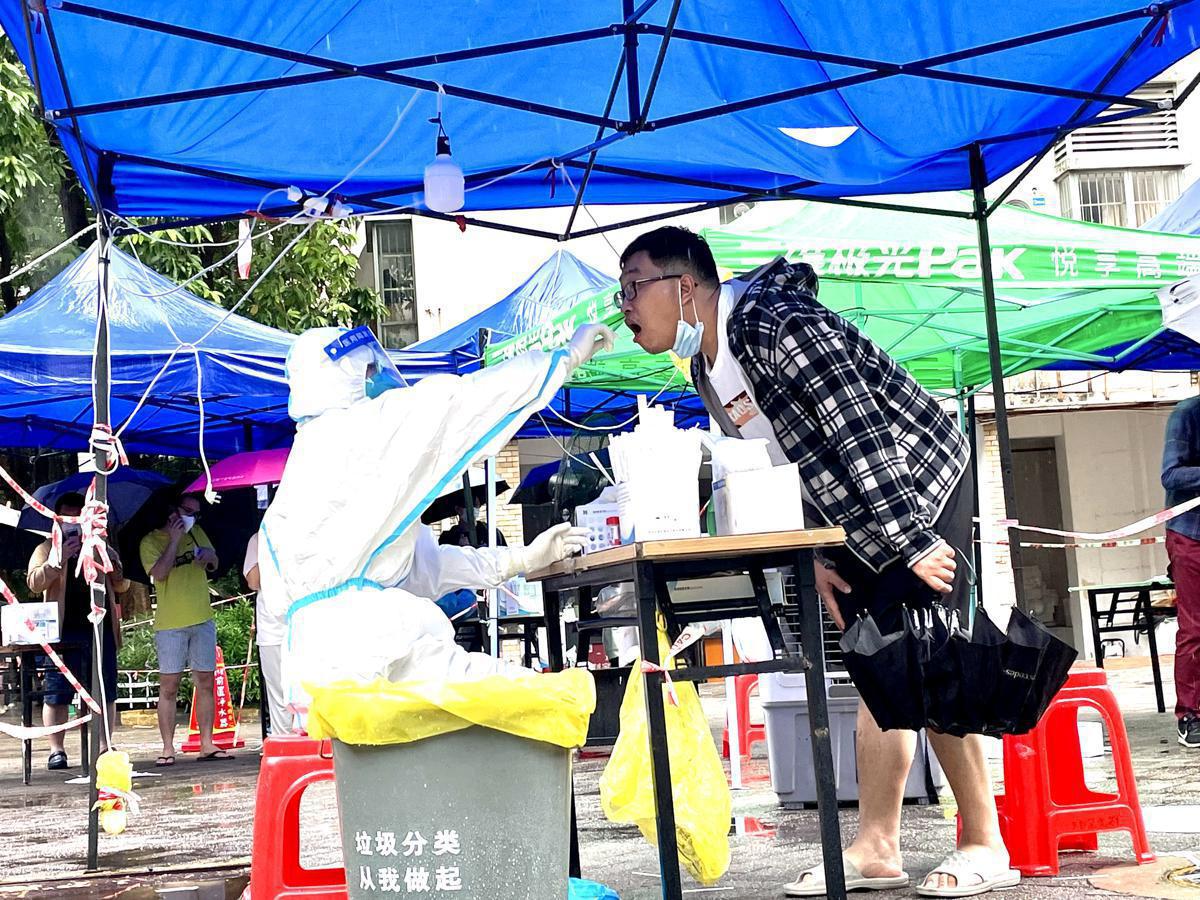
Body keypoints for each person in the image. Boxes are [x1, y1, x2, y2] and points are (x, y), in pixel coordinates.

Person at [618, 227, 1014, 898]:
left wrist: (911, 538)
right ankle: (880, 846)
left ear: (684, 288)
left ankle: (984, 840)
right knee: (875, 660)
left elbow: (859, 427)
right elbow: (777, 462)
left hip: (916, 479)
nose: (623, 306)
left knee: (929, 652)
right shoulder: (705, 368)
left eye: (633, 287)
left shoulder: (776, 323)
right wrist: (818, 549)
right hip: (854, 510)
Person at [257, 323, 611, 712]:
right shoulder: (366, 429)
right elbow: (465, 402)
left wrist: (519, 559)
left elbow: (421, 570)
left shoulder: (291, 490)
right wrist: (563, 358)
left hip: (317, 684)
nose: (378, 380)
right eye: (370, 371)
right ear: (348, 374)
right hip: (377, 652)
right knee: (535, 706)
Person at [26, 491, 124, 770]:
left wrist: (111, 563)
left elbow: (122, 585)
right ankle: (56, 750)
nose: (73, 526)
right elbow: (33, 583)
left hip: (99, 628)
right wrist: (58, 560)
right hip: (62, 632)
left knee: (105, 689)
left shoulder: (100, 545)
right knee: (57, 692)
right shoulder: (46, 548)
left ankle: (105, 745)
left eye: (78, 519)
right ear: (57, 521)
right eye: (67, 520)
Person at [139, 494, 230, 765]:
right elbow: (160, 573)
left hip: (202, 617)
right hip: (170, 624)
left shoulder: (198, 532)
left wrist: (208, 556)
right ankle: (167, 748)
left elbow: (215, 563)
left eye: (196, 513)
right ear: (172, 511)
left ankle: (206, 742)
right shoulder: (150, 541)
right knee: (169, 686)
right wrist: (176, 541)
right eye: (188, 511)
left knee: (205, 681)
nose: (192, 517)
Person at [1160, 397, 1200, 749]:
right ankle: (1189, 715)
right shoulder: (1187, 414)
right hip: (1191, 534)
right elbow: (1170, 474)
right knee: (1195, 628)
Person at [243, 531, 291, 736]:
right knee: (278, 692)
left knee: (308, 689)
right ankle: (286, 745)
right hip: (272, 626)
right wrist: (269, 550)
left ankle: (315, 747)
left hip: (305, 622)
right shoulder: (258, 539)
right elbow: (254, 581)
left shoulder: (310, 530)